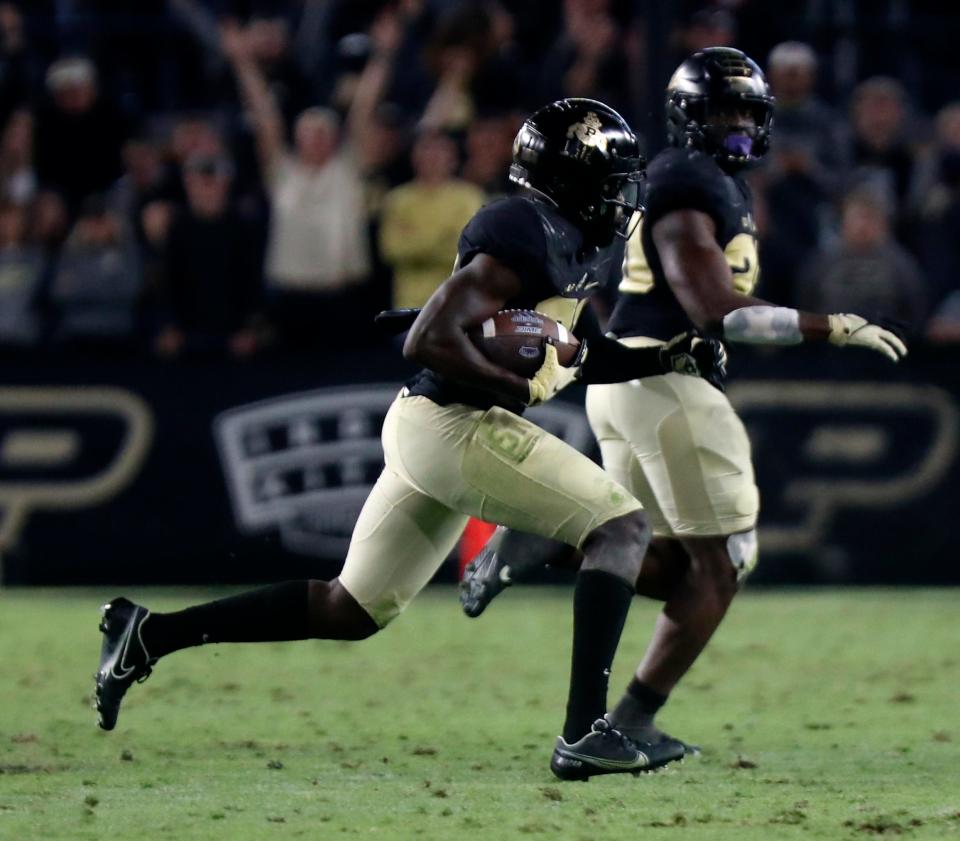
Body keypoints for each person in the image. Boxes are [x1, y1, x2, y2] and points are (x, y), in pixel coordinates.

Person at [93, 98, 727, 781]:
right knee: (621, 528)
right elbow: (424, 338)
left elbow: (586, 349)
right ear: (568, 179)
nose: (623, 194)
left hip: (436, 427)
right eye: (611, 178)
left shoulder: (578, 238)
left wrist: (667, 356)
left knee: (351, 607)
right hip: (457, 423)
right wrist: (505, 382)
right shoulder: (518, 228)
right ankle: (585, 733)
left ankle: (148, 633)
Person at [460, 49, 907, 755]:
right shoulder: (690, 182)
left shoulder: (694, 180)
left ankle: (555, 546)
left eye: (744, 113)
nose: (735, 127)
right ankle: (630, 716)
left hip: (635, 389)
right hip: (669, 384)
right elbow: (714, 309)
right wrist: (831, 324)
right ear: (686, 118)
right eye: (721, 112)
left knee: (659, 552)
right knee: (724, 560)